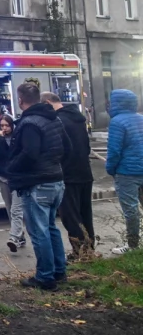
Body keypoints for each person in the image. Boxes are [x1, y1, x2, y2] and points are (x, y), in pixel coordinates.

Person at [6, 81, 70, 290]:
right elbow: (67, 148)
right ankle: (59, 271)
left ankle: (45, 277)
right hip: (56, 180)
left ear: (21, 99)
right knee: (51, 228)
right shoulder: (54, 119)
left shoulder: (30, 123)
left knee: (39, 231)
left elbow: (30, 153)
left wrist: (12, 167)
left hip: (37, 183)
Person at [44, 91, 95, 254]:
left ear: (47, 103)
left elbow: (60, 150)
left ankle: (80, 252)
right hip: (85, 173)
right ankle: (89, 249)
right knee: (85, 214)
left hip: (68, 175)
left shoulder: (58, 120)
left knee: (70, 216)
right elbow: (86, 147)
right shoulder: (78, 118)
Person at [105, 88, 143, 255]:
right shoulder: (141, 119)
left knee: (131, 210)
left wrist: (110, 169)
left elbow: (114, 151)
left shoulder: (117, 122)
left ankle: (133, 246)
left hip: (127, 173)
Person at [0, 113, 26, 253]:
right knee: (9, 208)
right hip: (3, 177)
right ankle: (20, 235)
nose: (4, 128)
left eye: (7, 125)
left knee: (16, 209)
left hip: (17, 179)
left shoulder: (18, 137)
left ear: (12, 125)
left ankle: (14, 237)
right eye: (2, 125)